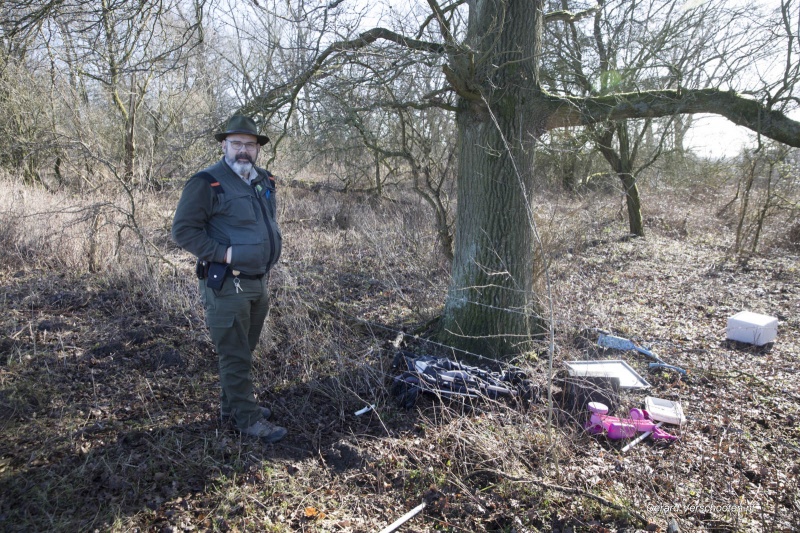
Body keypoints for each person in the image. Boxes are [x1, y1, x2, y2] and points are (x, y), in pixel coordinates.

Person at [172, 115, 286, 443]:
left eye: (250, 144)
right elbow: (183, 231)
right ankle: (246, 419)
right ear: (224, 145)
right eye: (236, 143)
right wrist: (225, 254)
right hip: (227, 283)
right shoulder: (207, 182)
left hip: (258, 280)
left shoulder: (263, 180)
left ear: (258, 149)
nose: (243, 150)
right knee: (234, 353)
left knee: (243, 350)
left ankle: (232, 407)